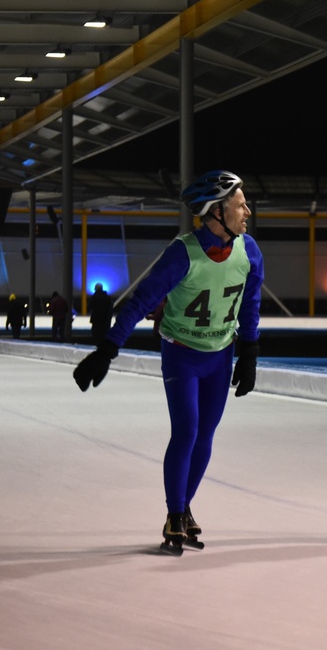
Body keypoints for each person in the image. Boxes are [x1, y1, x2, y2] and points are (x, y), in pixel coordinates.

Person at [73, 170, 264, 553]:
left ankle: (182, 509)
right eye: (240, 205)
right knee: (187, 431)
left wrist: (249, 351)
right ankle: (175, 513)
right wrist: (108, 349)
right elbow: (141, 301)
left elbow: (251, 303)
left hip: (221, 355)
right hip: (182, 355)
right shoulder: (183, 252)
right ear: (217, 212)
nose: (247, 212)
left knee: (205, 435)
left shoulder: (250, 251)